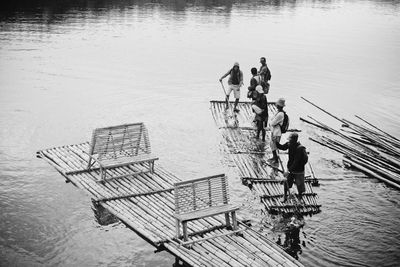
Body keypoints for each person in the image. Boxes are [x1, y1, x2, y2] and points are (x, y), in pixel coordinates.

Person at [276, 133, 308, 202]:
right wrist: (276, 142)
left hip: (299, 169)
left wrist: (288, 171)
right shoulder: (289, 144)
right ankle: (285, 196)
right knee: (287, 182)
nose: (289, 141)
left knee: (300, 185)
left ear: (294, 140)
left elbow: (296, 162)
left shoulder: (300, 149)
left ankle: (300, 197)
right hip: (291, 168)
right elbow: (282, 147)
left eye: (290, 140)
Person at [268, 98, 286, 163]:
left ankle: (276, 160)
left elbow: (273, 123)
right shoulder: (279, 112)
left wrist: (271, 123)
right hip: (275, 131)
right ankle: (274, 157)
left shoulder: (280, 114)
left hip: (277, 132)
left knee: (274, 145)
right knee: (273, 144)